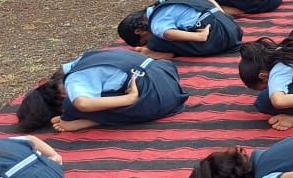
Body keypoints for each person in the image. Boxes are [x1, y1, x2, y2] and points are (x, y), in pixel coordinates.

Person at [16, 48, 188, 132]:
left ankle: (84, 120)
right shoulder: (84, 59)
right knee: (107, 94)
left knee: (74, 105)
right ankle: (95, 120)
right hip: (168, 76)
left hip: (157, 98)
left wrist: (130, 99)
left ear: (60, 96)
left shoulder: (73, 83)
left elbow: (82, 104)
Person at [118, 0, 243, 59]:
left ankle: (153, 53)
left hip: (217, 38)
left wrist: (199, 36)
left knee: (156, 41)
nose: (147, 41)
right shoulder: (166, 4)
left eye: (144, 41)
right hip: (234, 29)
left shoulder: (156, 23)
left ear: (139, 31)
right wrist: (221, 14)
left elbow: (168, 34)